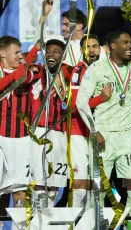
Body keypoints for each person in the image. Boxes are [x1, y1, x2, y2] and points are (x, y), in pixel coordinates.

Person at [76, 30, 131, 230]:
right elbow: (80, 102)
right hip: (103, 134)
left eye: (130, 43)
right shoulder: (96, 69)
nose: (130, 46)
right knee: (100, 188)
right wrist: (94, 131)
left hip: (129, 135)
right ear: (113, 46)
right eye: (126, 43)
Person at [0, 37, 40, 230]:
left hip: (23, 139)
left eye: (21, 52)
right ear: (2, 53)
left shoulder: (26, 72)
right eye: (16, 52)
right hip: (1, 141)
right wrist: (18, 73)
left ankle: (20, 228)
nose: (20, 56)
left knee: (21, 191)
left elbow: (33, 73)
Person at [69, 34, 112, 209]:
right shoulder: (79, 70)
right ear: (81, 50)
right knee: (79, 188)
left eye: (95, 46)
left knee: (96, 188)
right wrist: (100, 99)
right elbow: (73, 106)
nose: (92, 50)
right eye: (88, 47)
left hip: (100, 132)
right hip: (80, 133)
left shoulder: (104, 69)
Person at [29, 39, 71, 207]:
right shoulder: (37, 70)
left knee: (55, 180)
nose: (51, 55)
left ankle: (47, 218)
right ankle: (37, 219)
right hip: (39, 131)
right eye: (48, 51)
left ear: (63, 55)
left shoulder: (68, 73)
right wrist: (34, 52)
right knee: (39, 178)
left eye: (56, 52)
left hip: (60, 132)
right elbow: (23, 71)